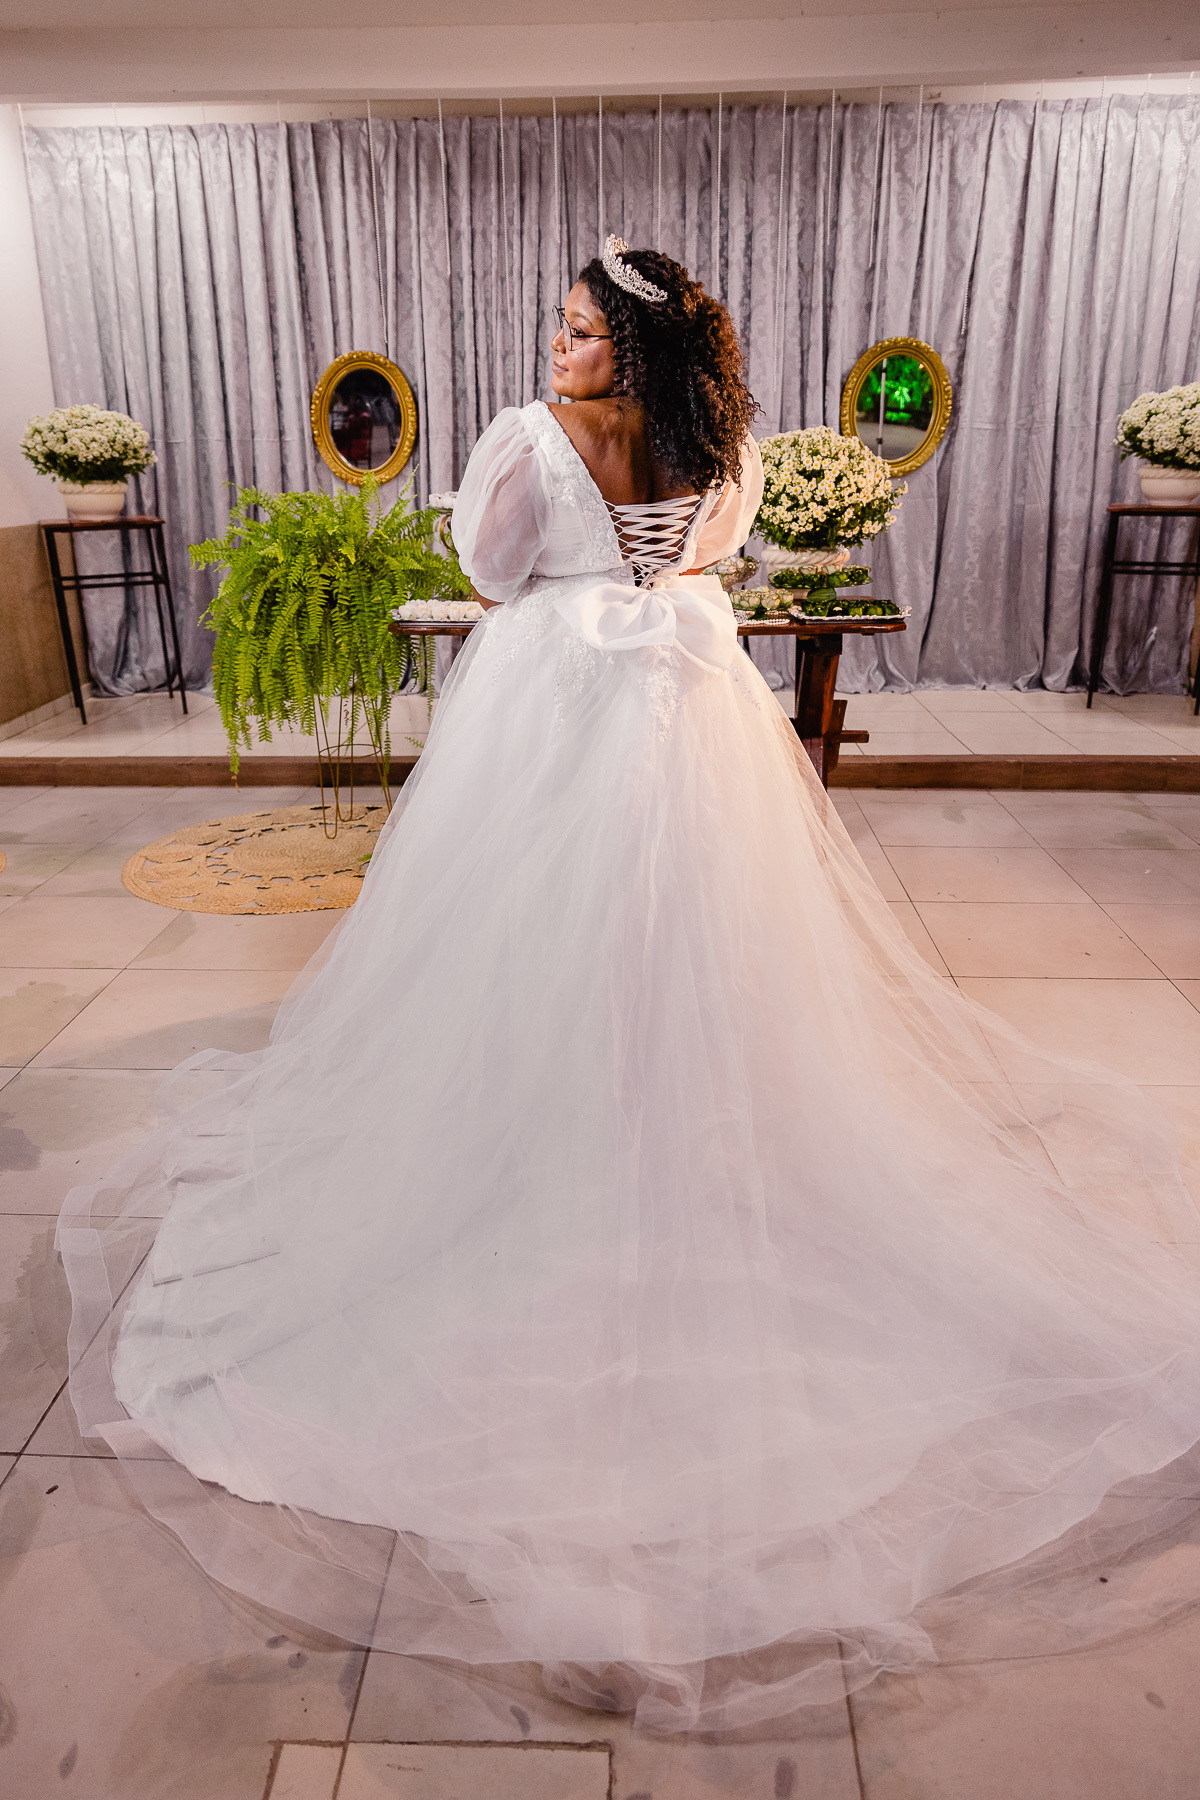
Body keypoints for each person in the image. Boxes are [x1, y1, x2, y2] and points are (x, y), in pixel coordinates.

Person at [59, 239, 1200, 1736]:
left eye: (583, 330)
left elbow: (493, 568)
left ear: (630, 350)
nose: (557, 345)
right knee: (702, 941)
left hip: (550, 717)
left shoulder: (528, 443)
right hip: (694, 715)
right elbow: (716, 553)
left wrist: (581, 556)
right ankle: (679, 1137)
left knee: (521, 944)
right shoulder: (719, 443)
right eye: (561, 327)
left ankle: (536, 1148)